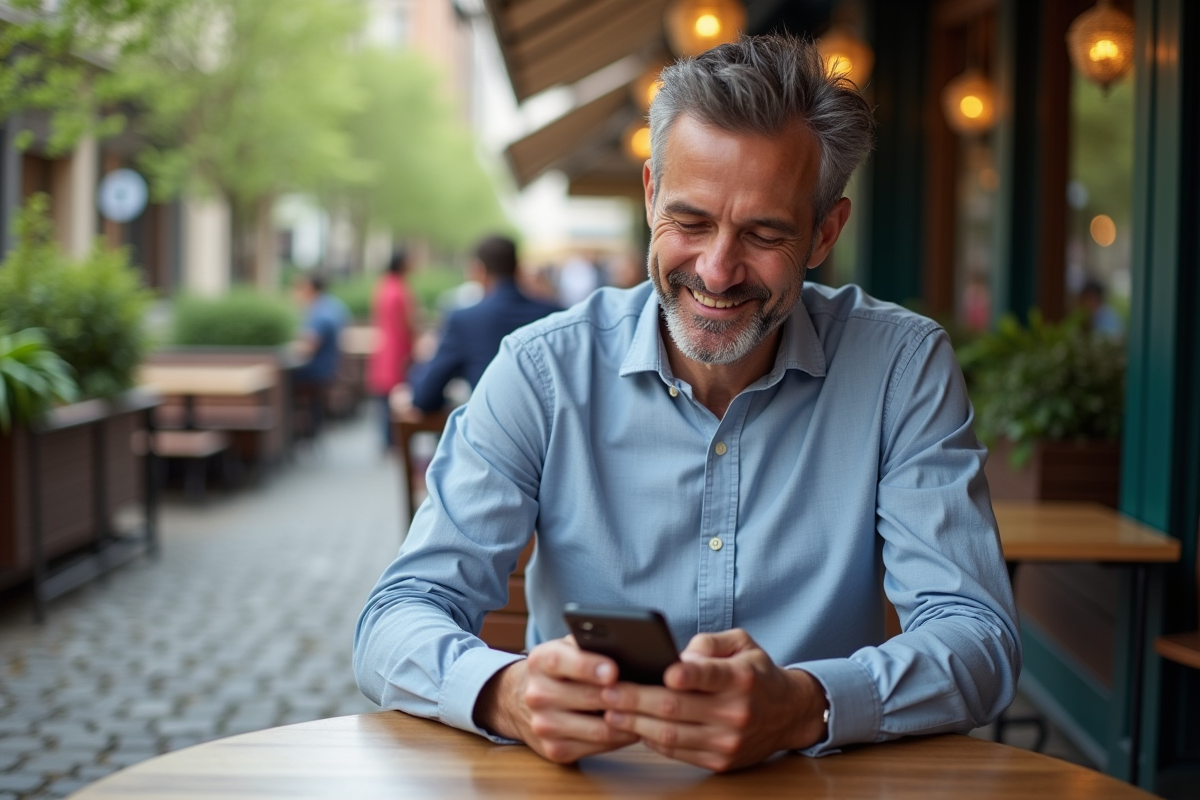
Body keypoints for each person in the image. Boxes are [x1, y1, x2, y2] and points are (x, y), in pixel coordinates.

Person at [355, 34, 1020, 773]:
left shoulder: (902, 367)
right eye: (691, 222)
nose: (716, 270)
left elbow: (978, 639)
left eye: (764, 232)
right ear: (649, 195)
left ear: (826, 231)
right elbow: (396, 616)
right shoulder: (542, 371)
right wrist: (505, 691)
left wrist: (805, 704)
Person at [402, 235, 559, 415]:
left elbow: (425, 397)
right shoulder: (554, 314)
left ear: (479, 270)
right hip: (554, 436)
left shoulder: (464, 319)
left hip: (493, 435)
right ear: (517, 269)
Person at [367, 251, 417, 447]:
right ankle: (395, 439)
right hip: (398, 349)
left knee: (384, 397)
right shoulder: (401, 289)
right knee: (398, 396)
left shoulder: (382, 286)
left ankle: (386, 439)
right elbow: (409, 323)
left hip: (383, 347)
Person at [292, 273, 348, 438]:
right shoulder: (332, 305)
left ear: (309, 288)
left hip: (317, 370)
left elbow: (309, 346)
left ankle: (297, 431)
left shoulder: (319, 311)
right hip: (330, 367)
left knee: (282, 382)